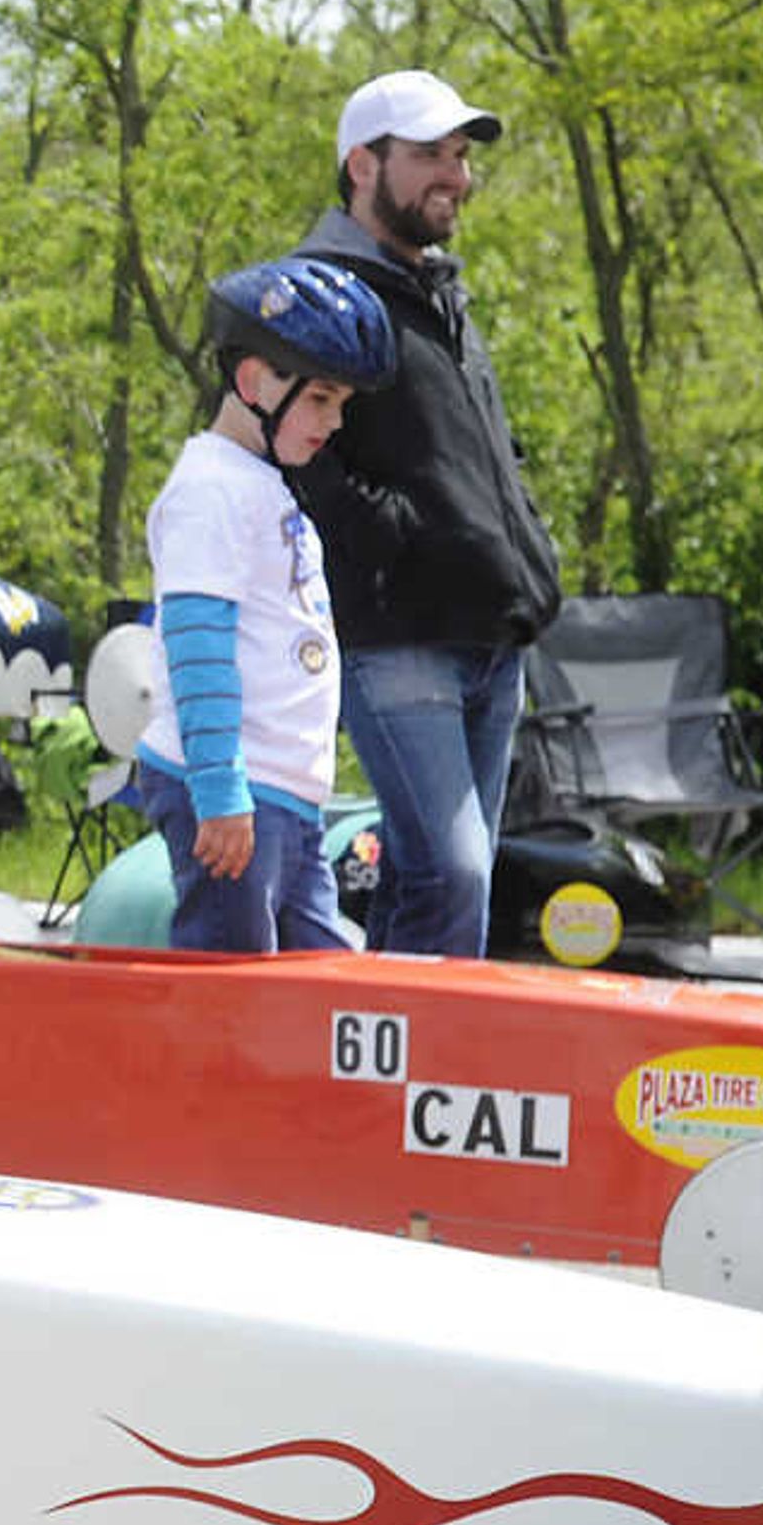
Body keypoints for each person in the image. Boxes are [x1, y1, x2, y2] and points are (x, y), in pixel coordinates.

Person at [289, 71, 562, 956]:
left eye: (460, 156)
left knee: (429, 885)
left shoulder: (439, 291)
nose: (457, 175)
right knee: (456, 873)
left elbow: (477, 456)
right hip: (400, 639)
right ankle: (420, 1067)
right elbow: (300, 457)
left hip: (495, 641)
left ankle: (393, 1081)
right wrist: (401, 541)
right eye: (430, 156)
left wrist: (525, 540)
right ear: (362, 164)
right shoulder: (317, 293)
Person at [133, 260, 395, 952]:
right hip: (230, 789)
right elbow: (198, 645)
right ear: (254, 383)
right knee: (232, 983)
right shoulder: (211, 489)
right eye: (321, 399)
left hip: (285, 797)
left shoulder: (261, 484)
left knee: (315, 981)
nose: (334, 422)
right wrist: (219, 792)